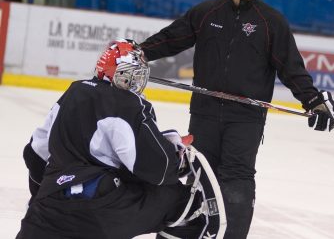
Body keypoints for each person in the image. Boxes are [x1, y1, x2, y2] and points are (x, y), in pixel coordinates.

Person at [141, 0, 334, 239]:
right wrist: (139, 52)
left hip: (245, 120)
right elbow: (172, 39)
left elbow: (291, 68)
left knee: (236, 183)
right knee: (199, 177)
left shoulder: (271, 22)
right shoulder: (207, 12)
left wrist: (313, 101)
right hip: (205, 114)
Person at [16, 39, 225, 239]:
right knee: (181, 200)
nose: (136, 82)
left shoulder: (73, 92)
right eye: (131, 76)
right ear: (118, 75)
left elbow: (34, 155)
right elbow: (157, 169)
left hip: (45, 213)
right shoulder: (128, 103)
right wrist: (176, 158)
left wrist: (41, 197)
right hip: (97, 213)